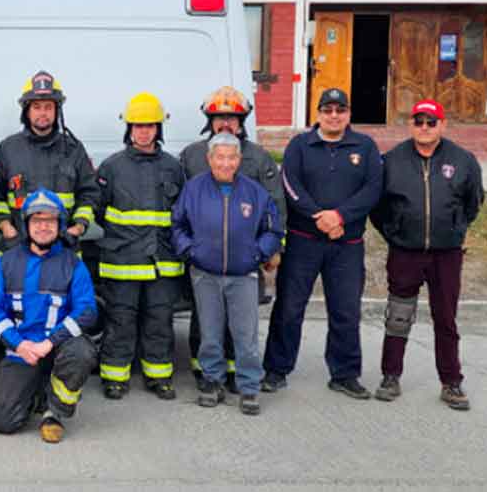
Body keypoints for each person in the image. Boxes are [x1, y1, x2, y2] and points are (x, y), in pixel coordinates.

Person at [262, 88, 382, 398]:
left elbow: (372, 188)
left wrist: (340, 216)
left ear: (348, 114)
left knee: (345, 310)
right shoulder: (300, 145)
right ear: (317, 113)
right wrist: (319, 215)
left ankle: (344, 374)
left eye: (339, 110)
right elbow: (289, 182)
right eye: (327, 110)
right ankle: (276, 369)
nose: (333, 115)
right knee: (289, 308)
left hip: (347, 243)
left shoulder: (365, 146)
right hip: (304, 241)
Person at [370, 99, 483, 410]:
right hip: (405, 251)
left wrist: (456, 231)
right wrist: (395, 233)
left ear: (442, 125)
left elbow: (474, 201)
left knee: (445, 319)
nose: (424, 128)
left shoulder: (463, 160)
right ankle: (390, 376)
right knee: (398, 315)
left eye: (431, 122)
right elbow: (378, 207)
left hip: (446, 255)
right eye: (418, 121)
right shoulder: (391, 161)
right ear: (410, 125)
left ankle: (451, 382)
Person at [180, 86, 285, 391]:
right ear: (209, 120)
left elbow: (276, 206)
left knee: (242, 323)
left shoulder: (259, 158)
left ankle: (239, 375)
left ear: (242, 121)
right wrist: (190, 251)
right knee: (206, 320)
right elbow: (180, 208)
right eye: (219, 118)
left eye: (232, 118)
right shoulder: (191, 156)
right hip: (206, 259)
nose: (225, 124)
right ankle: (207, 375)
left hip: (244, 261)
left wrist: (271, 249)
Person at [0, 189, 98, 443]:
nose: (43, 227)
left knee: (81, 352)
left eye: (50, 221)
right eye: (37, 221)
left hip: (57, 348)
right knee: (2, 421)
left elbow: (87, 310)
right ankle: (35, 391)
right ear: (26, 225)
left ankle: (55, 411)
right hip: (22, 351)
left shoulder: (72, 263)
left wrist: (50, 342)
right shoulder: (7, 262)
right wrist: (20, 344)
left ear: (60, 225)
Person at [95, 92, 184, 400]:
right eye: (138, 125)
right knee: (121, 320)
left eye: (150, 125)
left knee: (159, 320)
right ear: (128, 128)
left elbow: (181, 213)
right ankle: (114, 377)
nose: (144, 131)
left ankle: (158, 376)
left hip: (162, 260)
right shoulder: (111, 168)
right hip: (123, 258)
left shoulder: (173, 167)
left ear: (159, 128)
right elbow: (98, 209)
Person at [0, 71, 99, 252]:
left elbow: (90, 194)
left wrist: (78, 227)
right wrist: (6, 227)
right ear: (27, 111)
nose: (43, 113)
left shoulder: (73, 149)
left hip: (64, 249)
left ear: (57, 110)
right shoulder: (8, 149)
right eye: (37, 107)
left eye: (48, 107)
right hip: (18, 249)